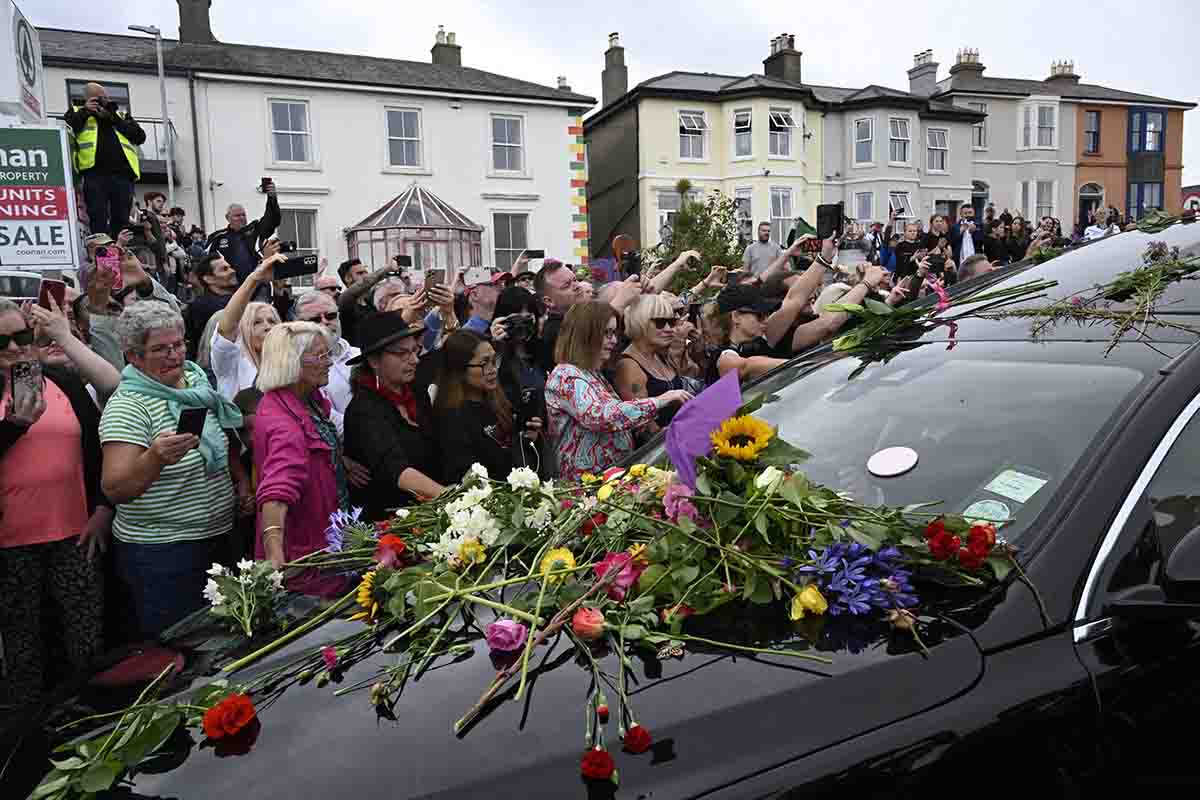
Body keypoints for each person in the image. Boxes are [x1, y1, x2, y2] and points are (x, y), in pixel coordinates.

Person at [99, 303, 248, 638]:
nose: (174, 355)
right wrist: (155, 457)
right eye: (160, 349)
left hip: (220, 536)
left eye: (178, 344)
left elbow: (221, 438)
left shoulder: (195, 381)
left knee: (232, 638)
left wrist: (240, 481)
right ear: (134, 357)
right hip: (165, 553)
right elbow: (115, 489)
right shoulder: (127, 406)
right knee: (186, 651)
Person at [0, 298, 119, 703]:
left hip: (75, 534)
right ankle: (30, 742)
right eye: (2, 343)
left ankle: (91, 720)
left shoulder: (61, 382)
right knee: (23, 650)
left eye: (21, 337)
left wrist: (104, 508)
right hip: (9, 547)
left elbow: (98, 449)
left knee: (86, 639)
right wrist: (14, 425)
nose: (15, 349)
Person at [545, 302, 691, 482]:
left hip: (609, 481)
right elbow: (601, 416)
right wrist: (659, 401)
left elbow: (619, 421)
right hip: (583, 489)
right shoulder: (566, 375)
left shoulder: (592, 374)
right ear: (585, 334)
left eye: (614, 333)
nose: (613, 341)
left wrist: (663, 435)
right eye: (606, 333)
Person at [253, 322, 348, 596]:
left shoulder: (307, 401)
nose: (329, 362)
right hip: (307, 557)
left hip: (326, 541)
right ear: (292, 363)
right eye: (321, 356)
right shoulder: (284, 423)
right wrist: (274, 553)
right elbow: (276, 491)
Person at [343, 314, 444, 520]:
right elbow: (396, 470)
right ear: (374, 361)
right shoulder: (365, 409)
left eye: (414, 351)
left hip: (427, 511)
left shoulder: (415, 392)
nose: (414, 360)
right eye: (402, 353)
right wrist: (449, 497)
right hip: (388, 524)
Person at [433, 331, 543, 483]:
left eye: (494, 361)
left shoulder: (499, 401)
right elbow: (466, 477)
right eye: (484, 363)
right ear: (459, 368)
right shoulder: (451, 417)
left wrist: (529, 439)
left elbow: (516, 457)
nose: (492, 370)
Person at [63, 83, 145, 239]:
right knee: (98, 217)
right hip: (95, 175)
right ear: (88, 99)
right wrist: (86, 111)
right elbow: (69, 125)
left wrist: (112, 118)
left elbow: (139, 136)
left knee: (121, 220)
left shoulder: (120, 115)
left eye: (105, 98)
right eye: (98, 99)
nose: (103, 102)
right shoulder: (78, 112)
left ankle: (119, 254)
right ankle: (103, 256)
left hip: (122, 176)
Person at [614, 293, 691, 436]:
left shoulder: (660, 354)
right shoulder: (628, 366)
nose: (669, 328)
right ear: (640, 322)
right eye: (660, 323)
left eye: (671, 322)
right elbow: (643, 425)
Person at [212, 253, 285, 399]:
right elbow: (226, 327)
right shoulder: (230, 363)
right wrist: (255, 278)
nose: (267, 327)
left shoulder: (287, 366)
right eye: (256, 322)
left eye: (272, 321)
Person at [294, 289, 359, 423]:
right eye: (315, 319)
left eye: (330, 316)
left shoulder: (360, 354)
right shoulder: (299, 368)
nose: (325, 322)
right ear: (299, 324)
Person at [205, 185, 281, 286]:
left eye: (243, 215)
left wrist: (272, 198)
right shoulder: (217, 237)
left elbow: (272, 219)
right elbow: (205, 262)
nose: (241, 218)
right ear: (228, 218)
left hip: (257, 283)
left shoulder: (255, 230)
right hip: (229, 287)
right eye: (237, 215)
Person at [490, 286, 547, 409]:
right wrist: (495, 347)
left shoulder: (543, 350)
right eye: (517, 318)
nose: (522, 325)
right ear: (503, 319)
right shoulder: (491, 350)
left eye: (527, 319)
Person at [185, 253, 237, 360]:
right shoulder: (203, 306)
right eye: (224, 269)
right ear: (208, 279)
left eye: (230, 267)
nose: (232, 271)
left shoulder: (234, 298)